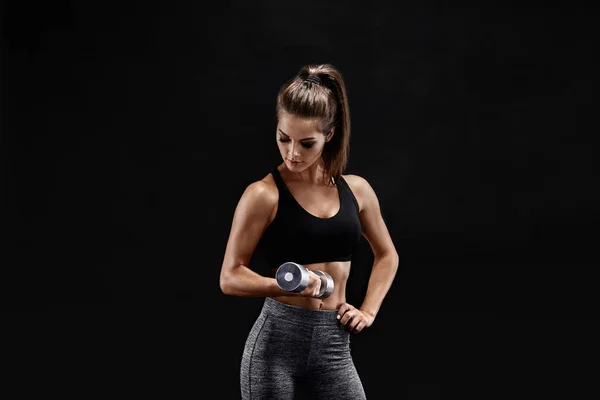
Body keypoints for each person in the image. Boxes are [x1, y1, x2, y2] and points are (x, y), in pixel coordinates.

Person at [219, 63, 399, 400]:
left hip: (334, 344)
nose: (292, 153)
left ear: (329, 135)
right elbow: (229, 277)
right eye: (283, 138)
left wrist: (368, 310)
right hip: (276, 346)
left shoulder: (357, 190)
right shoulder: (263, 194)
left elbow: (387, 255)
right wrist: (290, 285)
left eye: (306, 143)